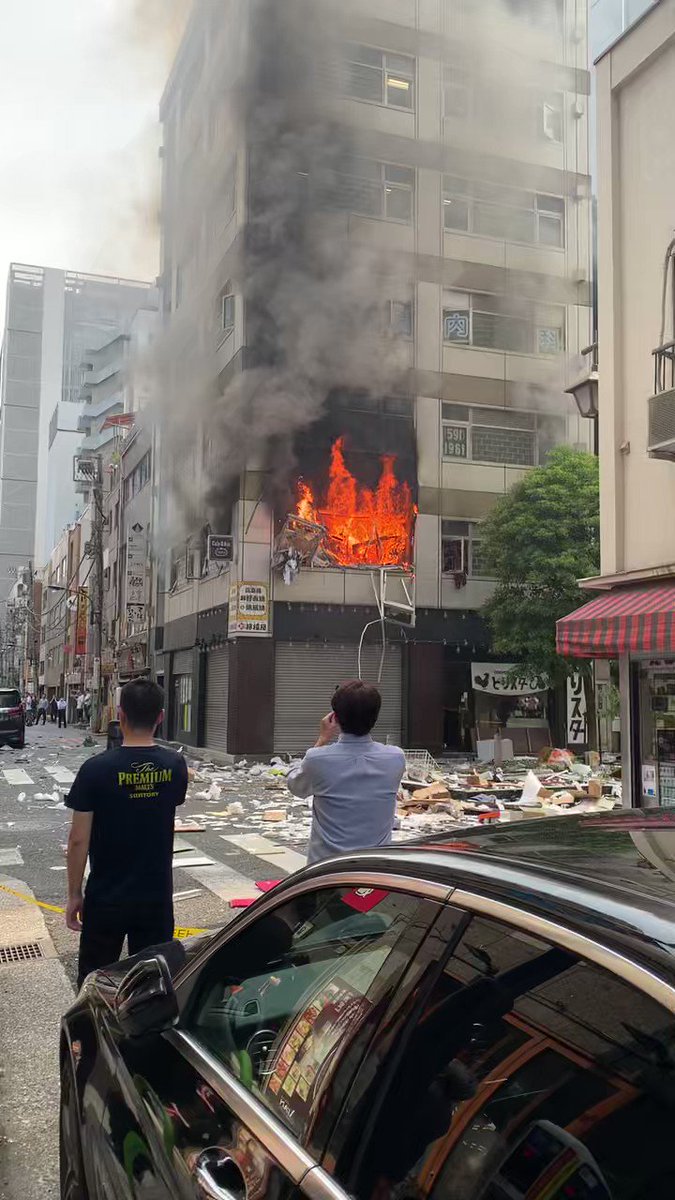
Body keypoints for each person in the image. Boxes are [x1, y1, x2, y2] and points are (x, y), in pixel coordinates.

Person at [65, 677, 188, 986]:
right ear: (160, 717)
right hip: (155, 896)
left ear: (120, 715)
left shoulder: (95, 769)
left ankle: (92, 1034)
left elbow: (78, 839)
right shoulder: (175, 766)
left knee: (96, 980)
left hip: (106, 896)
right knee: (152, 987)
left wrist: (74, 893)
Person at [287, 680, 406, 865]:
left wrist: (322, 739)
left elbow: (296, 787)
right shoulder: (395, 758)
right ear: (375, 717)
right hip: (375, 867)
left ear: (334, 717)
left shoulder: (317, 759)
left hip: (326, 868)